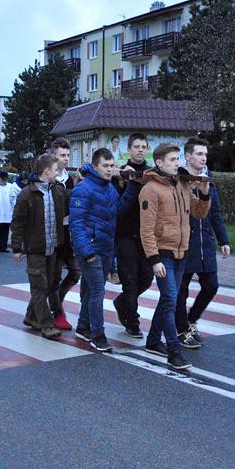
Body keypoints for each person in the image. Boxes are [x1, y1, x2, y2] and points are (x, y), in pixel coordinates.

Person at [139, 143, 211, 371]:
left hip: (182, 253)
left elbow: (199, 212)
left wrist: (205, 192)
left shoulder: (181, 185)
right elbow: (146, 229)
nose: (177, 163)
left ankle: (152, 340)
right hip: (163, 255)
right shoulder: (150, 189)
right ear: (159, 162)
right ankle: (173, 351)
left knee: (167, 300)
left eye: (177, 159)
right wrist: (154, 258)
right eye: (172, 159)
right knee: (170, 299)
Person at [69, 148, 135, 352]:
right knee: (98, 290)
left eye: (111, 165)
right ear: (95, 166)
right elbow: (76, 223)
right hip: (91, 249)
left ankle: (83, 326)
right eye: (105, 166)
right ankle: (98, 335)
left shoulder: (109, 188)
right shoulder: (83, 189)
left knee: (90, 290)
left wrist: (132, 186)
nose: (109, 169)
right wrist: (86, 250)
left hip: (106, 247)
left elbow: (118, 210)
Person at [175, 137, 231, 349]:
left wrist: (223, 239)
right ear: (188, 155)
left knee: (211, 285)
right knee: (181, 290)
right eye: (199, 154)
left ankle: (191, 320)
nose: (203, 157)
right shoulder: (179, 177)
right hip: (184, 242)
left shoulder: (210, 178)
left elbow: (215, 211)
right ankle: (181, 329)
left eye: (205, 154)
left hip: (205, 243)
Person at [10, 154, 68, 340]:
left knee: (49, 285)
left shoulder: (57, 191)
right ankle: (46, 324)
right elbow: (18, 223)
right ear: (46, 171)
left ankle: (31, 316)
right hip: (35, 248)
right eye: (56, 169)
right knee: (38, 286)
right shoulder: (27, 194)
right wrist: (17, 248)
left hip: (53, 247)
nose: (58, 172)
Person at [112, 133, 154, 339]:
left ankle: (122, 303)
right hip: (125, 233)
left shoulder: (152, 173)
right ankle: (133, 322)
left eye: (143, 146)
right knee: (130, 279)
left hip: (146, 234)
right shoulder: (120, 174)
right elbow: (116, 207)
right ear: (129, 149)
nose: (140, 149)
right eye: (136, 146)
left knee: (146, 277)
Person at [49, 138, 81, 331]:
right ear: (53, 155)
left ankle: (54, 304)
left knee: (76, 271)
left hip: (69, 235)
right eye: (62, 155)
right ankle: (57, 313)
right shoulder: (48, 178)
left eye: (68, 155)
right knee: (53, 278)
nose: (66, 159)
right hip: (53, 235)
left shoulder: (68, 179)